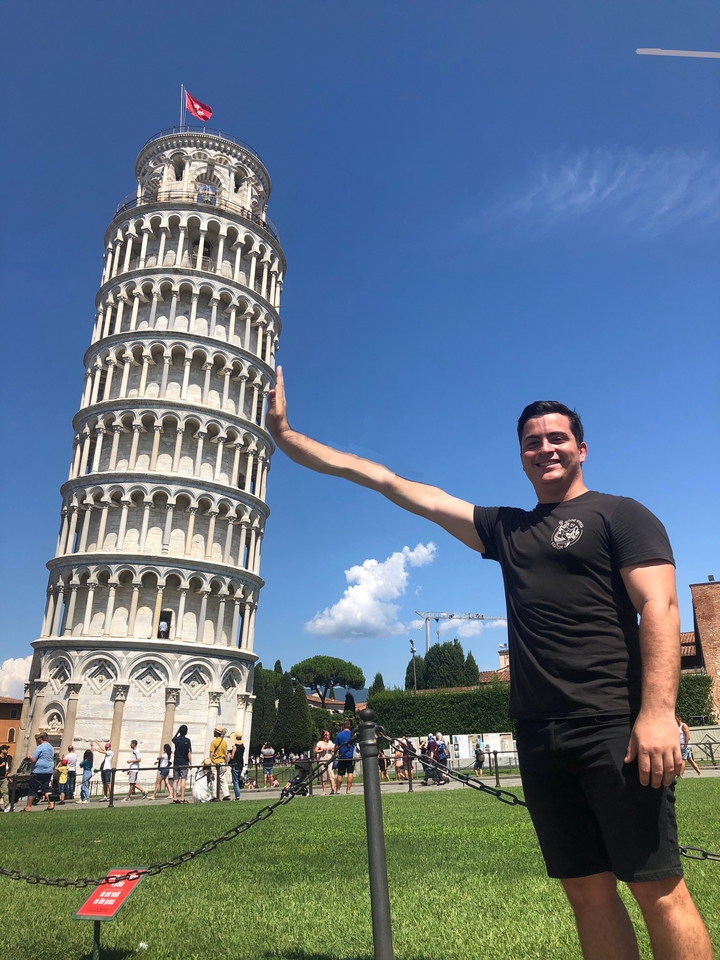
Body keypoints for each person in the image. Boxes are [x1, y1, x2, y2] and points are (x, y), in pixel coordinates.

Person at [266, 374, 713, 959]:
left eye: (558, 438)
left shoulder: (620, 515)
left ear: (581, 449)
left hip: (614, 726)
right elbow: (390, 483)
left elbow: (661, 605)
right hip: (539, 733)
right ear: (522, 457)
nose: (546, 448)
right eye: (533, 441)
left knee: (657, 888)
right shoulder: (507, 529)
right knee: (586, 891)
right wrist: (287, 435)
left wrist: (657, 714)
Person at [23, 732, 56, 812]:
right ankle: (51, 805)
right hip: (48, 770)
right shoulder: (51, 747)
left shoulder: (40, 747)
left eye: (38, 738)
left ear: (41, 738)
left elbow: (34, 760)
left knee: (32, 789)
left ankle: (28, 807)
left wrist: (30, 757)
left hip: (38, 771)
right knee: (47, 789)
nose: (38, 739)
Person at [171, 724, 193, 803]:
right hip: (184, 762)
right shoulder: (187, 740)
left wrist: (177, 732)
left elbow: (172, 739)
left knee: (175, 780)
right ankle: (182, 798)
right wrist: (190, 763)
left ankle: (174, 797)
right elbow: (189, 753)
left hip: (176, 762)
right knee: (183, 779)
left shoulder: (176, 740)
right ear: (186, 732)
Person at [209, 726, 230, 800]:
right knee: (223, 779)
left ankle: (215, 796)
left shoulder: (213, 742)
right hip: (222, 762)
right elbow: (226, 754)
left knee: (214, 779)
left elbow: (211, 753)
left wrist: (210, 762)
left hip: (215, 763)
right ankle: (226, 795)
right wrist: (226, 764)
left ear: (216, 733)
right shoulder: (224, 742)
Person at [334, 720, 355, 794]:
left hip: (342, 756)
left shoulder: (339, 735)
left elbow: (336, 746)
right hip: (351, 756)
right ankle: (348, 789)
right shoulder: (352, 734)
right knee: (350, 773)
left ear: (343, 726)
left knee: (340, 774)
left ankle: (338, 790)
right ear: (349, 726)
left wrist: (335, 754)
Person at [314, 730, 336, 795]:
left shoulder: (330, 742)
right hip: (322, 760)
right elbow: (315, 751)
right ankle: (324, 791)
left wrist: (331, 749)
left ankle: (333, 790)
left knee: (331, 774)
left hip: (329, 760)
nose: (328, 736)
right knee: (323, 776)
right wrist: (321, 750)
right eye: (327, 735)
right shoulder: (320, 743)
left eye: (329, 735)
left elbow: (334, 749)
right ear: (324, 736)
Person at [229, 732, 245, 799]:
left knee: (235, 781)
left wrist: (229, 754)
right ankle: (237, 796)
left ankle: (237, 796)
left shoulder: (235, 747)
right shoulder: (242, 747)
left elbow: (232, 757)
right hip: (240, 764)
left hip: (235, 764)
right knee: (237, 780)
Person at [0, 744, 12, 812]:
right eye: (6, 749)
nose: (7, 751)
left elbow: (6, 769)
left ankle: (7, 806)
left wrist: (8, 777)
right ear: (2, 750)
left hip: (3, 778)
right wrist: (1, 765)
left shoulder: (5, 758)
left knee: (5, 792)